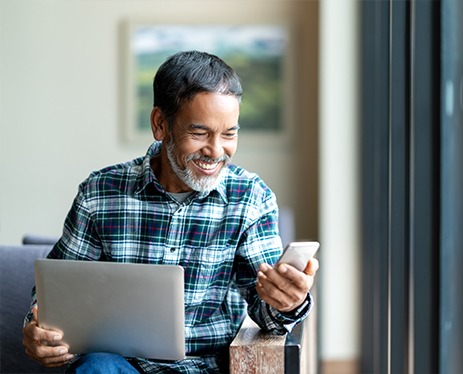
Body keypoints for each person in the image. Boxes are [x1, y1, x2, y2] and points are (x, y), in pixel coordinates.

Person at [22, 50, 319, 373]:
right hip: (120, 365)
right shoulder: (100, 193)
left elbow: (267, 316)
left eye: (229, 134)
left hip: (210, 366)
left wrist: (288, 302)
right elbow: (56, 292)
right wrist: (38, 328)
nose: (216, 151)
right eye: (199, 132)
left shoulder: (250, 198)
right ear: (160, 124)